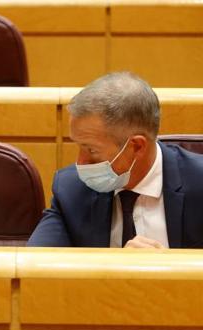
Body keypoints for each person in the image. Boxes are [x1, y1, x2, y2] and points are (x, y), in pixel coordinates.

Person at [28, 72, 203, 248]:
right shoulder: (71, 190)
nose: (80, 162)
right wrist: (114, 267)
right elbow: (35, 265)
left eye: (92, 150)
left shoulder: (199, 182)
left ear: (137, 146)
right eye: (79, 146)